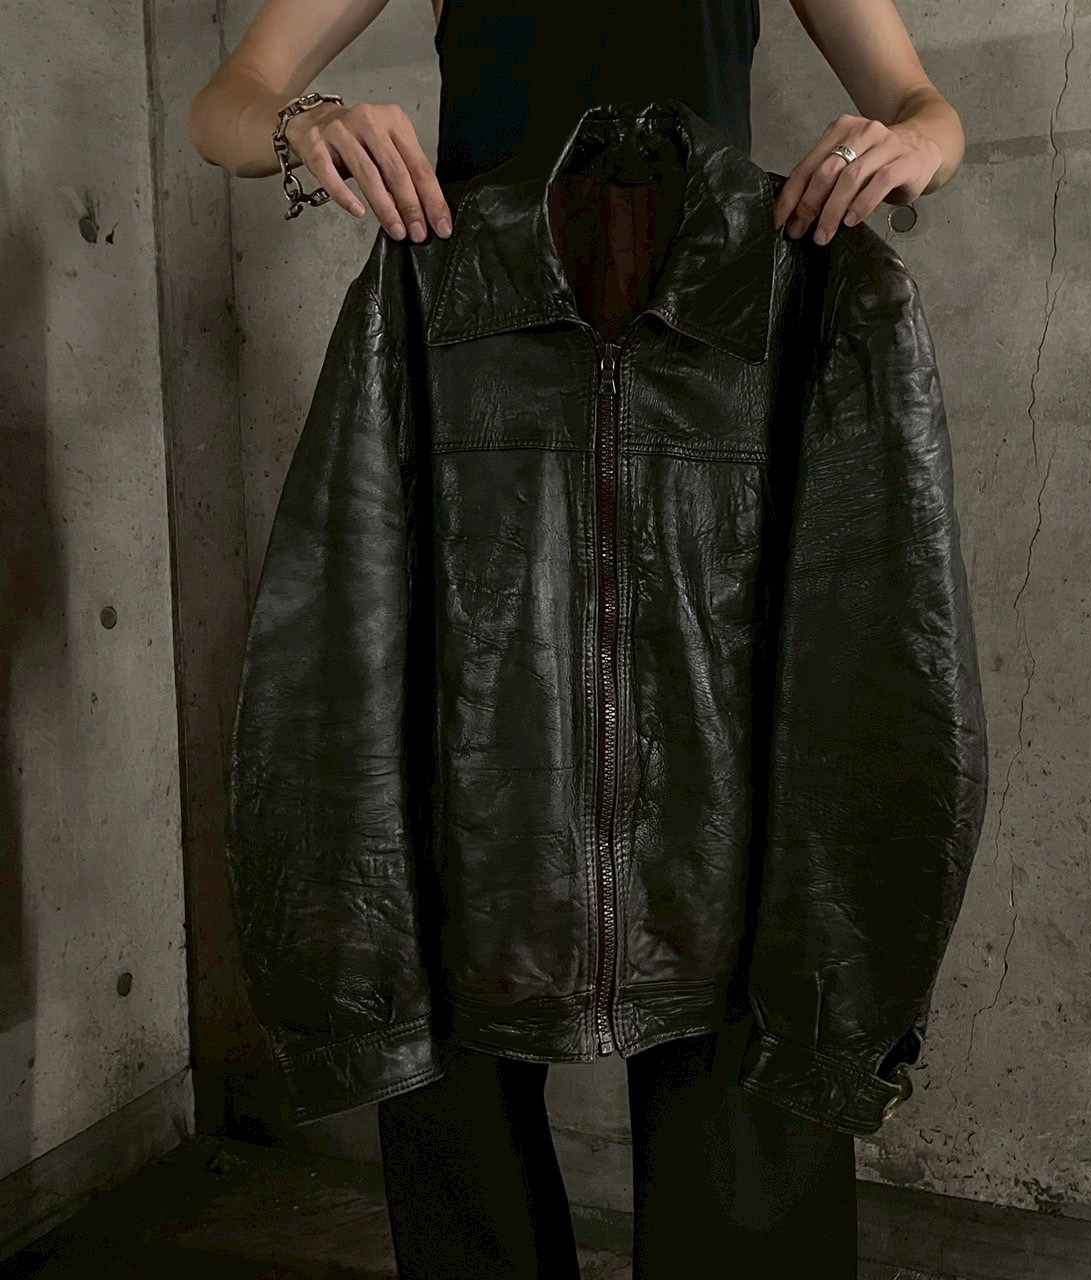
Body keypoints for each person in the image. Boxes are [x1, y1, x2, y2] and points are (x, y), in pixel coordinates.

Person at [188, 3, 966, 1276]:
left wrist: (913, 148)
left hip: (724, 352)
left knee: (739, 965)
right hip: (467, 339)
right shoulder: (406, 306)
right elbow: (228, 102)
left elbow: (921, 106)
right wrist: (304, 123)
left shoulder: (833, 308)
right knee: (446, 930)